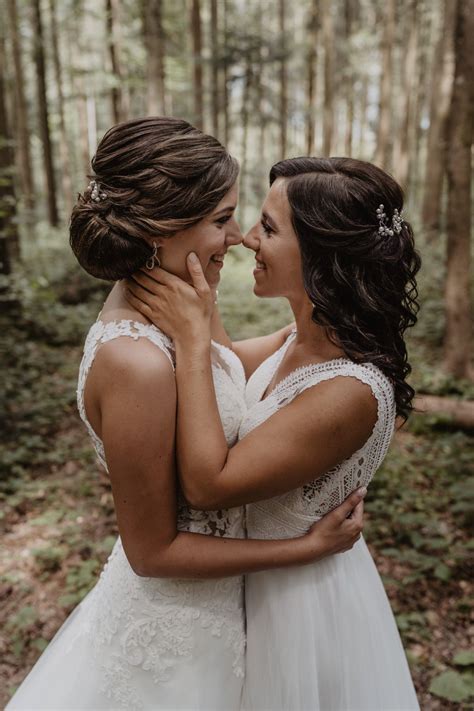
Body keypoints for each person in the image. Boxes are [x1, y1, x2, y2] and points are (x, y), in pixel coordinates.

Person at [6, 120, 365, 711]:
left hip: (228, 614)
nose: (237, 237)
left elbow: (223, 367)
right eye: (221, 219)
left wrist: (323, 327)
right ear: (160, 227)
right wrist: (303, 549)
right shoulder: (136, 364)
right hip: (174, 636)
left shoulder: (180, 304)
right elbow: (153, 553)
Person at [125, 156, 421, 710]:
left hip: (296, 607)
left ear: (323, 254)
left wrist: (191, 339)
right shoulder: (300, 336)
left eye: (269, 227)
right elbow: (226, 366)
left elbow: (209, 485)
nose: (247, 240)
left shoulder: (350, 390)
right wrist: (200, 300)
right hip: (245, 587)